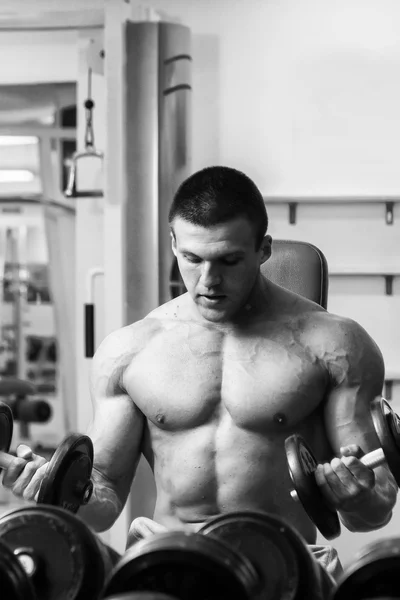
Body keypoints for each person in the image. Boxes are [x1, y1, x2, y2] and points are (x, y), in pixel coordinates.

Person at [2, 166, 397, 582]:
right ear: (173, 243)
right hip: (168, 563)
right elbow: (104, 499)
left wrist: (357, 496)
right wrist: (59, 492)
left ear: (263, 250)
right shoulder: (130, 350)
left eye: (229, 260)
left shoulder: (335, 345)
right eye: (192, 258)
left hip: (283, 566)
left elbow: (375, 510)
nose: (208, 281)